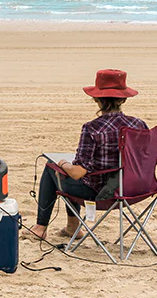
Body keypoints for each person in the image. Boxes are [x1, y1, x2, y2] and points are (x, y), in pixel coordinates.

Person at [27, 69, 148, 241]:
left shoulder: (93, 128)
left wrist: (62, 164)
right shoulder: (139, 124)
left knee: (53, 169)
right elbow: (145, 159)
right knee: (70, 171)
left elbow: (78, 173)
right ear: (123, 99)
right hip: (136, 189)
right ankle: (72, 227)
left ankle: (41, 227)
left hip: (101, 193)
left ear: (96, 99)